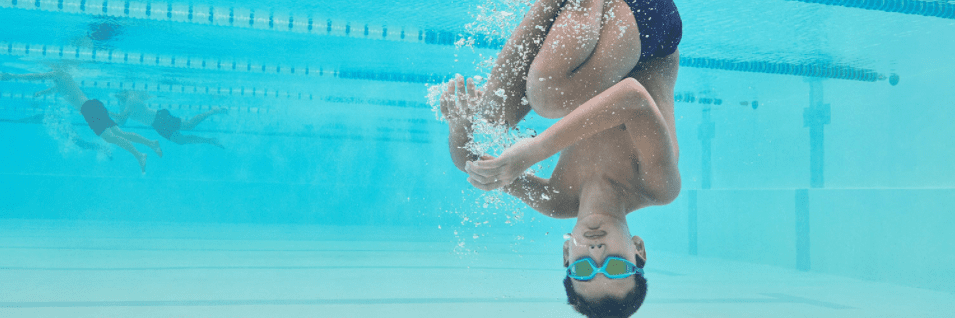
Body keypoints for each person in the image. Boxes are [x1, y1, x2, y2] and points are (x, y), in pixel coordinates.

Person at [440, 0, 682, 316]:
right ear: (638, 250)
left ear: (567, 253)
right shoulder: (658, 188)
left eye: (583, 269)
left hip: (602, 42)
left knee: (492, 114)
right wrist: (531, 152)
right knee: (547, 95)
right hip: (650, 29)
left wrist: (460, 127)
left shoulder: (555, 201)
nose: (597, 253)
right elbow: (632, 96)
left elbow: (472, 166)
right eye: (617, 266)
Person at [2, 65, 162, 172]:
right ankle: (150, 144)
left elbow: (36, 77)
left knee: (111, 138)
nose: (49, 70)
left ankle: (140, 154)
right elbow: (56, 89)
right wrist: (42, 93)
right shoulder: (61, 80)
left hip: (88, 109)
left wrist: (12, 75)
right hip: (92, 105)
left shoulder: (59, 73)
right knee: (119, 133)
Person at [111, 90, 225, 148]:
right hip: (156, 125)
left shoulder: (131, 99)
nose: (118, 96)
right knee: (181, 141)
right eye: (117, 95)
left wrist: (108, 114)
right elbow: (122, 121)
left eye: (120, 94)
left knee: (189, 125)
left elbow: (122, 117)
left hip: (160, 118)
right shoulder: (123, 104)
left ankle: (214, 111)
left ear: (124, 92)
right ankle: (210, 140)